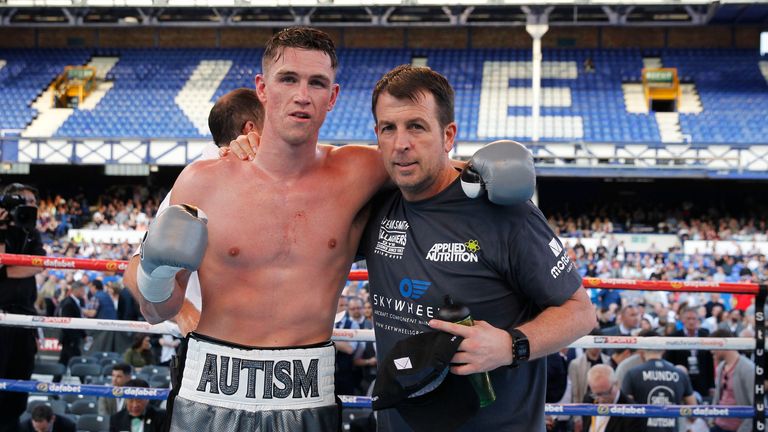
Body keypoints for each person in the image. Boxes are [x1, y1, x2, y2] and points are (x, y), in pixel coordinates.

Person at [359, 65, 595, 431]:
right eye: (388, 128)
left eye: (416, 126)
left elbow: (581, 313)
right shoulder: (375, 204)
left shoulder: (505, 214)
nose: (401, 143)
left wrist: (510, 345)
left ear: (448, 134)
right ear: (377, 135)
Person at [122, 87, 264, 336]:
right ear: (249, 129)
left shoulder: (264, 182)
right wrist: (184, 313)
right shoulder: (200, 183)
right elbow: (135, 272)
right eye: (271, 127)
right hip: (211, 347)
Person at [0, 183, 45, 431]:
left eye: (32, 201)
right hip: (1, 314)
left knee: (21, 377)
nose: (28, 206)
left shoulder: (32, 232)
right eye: (22, 200)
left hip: (26, 316)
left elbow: (38, 265)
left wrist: (6, 271)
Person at [621, 330, 696, 432]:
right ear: (663, 350)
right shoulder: (680, 373)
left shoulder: (632, 373)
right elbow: (693, 411)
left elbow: (625, 410)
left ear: (642, 350)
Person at [663, 306, 714, 399]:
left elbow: (709, 363)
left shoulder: (705, 335)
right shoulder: (674, 337)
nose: (691, 321)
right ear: (683, 320)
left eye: (694, 319)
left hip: (702, 381)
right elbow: (668, 361)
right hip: (680, 380)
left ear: (698, 320)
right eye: (688, 318)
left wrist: (712, 385)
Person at [711, 328, 755, 432]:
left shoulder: (748, 369)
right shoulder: (721, 367)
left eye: (712, 346)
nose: (711, 351)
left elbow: (756, 405)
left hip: (738, 428)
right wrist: (712, 418)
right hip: (718, 425)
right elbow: (718, 396)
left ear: (721, 345)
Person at [580, 364, 646, 432]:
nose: (601, 399)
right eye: (596, 394)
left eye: (605, 393)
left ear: (616, 384)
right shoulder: (588, 399)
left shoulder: (632, 412)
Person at [57, 281, 87, 368]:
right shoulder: (68, 303)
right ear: (75, 290)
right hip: (70, 339)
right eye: (82, 290)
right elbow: (66, 323)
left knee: (63, 361)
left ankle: (56, 379)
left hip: (71, 338)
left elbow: (78, 320)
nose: (84, 292)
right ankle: (83, 380)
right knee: (77, 362)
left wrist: (83, 335)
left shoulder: (76, 302)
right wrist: (74, 338)